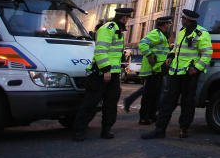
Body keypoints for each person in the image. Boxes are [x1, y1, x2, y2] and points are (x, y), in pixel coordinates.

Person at [142, 9, 212, 139]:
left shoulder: (202, 33)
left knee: (187, 103)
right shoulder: (182, 32)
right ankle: (159, 129)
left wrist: (196, 68)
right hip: (175, 72)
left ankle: (183, 128)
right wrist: (170, 56)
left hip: (189, 74)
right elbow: (176, 48)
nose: (181, 21)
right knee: (167, 102)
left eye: (183, 19)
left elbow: (207, 53)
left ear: (187, 20)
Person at [72, 7, 132, 141]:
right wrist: (106, 70)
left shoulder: (118, 30)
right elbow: (100, 50)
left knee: (111, 104)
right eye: (127, 18)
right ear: (123, 17)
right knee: (90, 103)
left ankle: (106, 129)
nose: (127, 21)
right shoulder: (108, 28)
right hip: (101, 73)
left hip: (113, 73)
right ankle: (79, 131)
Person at [125, 15, 173, 125]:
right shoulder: (156, 33)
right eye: (169, 23)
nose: (170, 25)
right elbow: (142, 44)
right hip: (152, 70)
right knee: (149, 95)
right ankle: (144, 117)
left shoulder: (162, 36)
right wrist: (150, 56)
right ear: (164, 24)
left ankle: (151, 115)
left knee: (155, 95)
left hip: (158, 69)